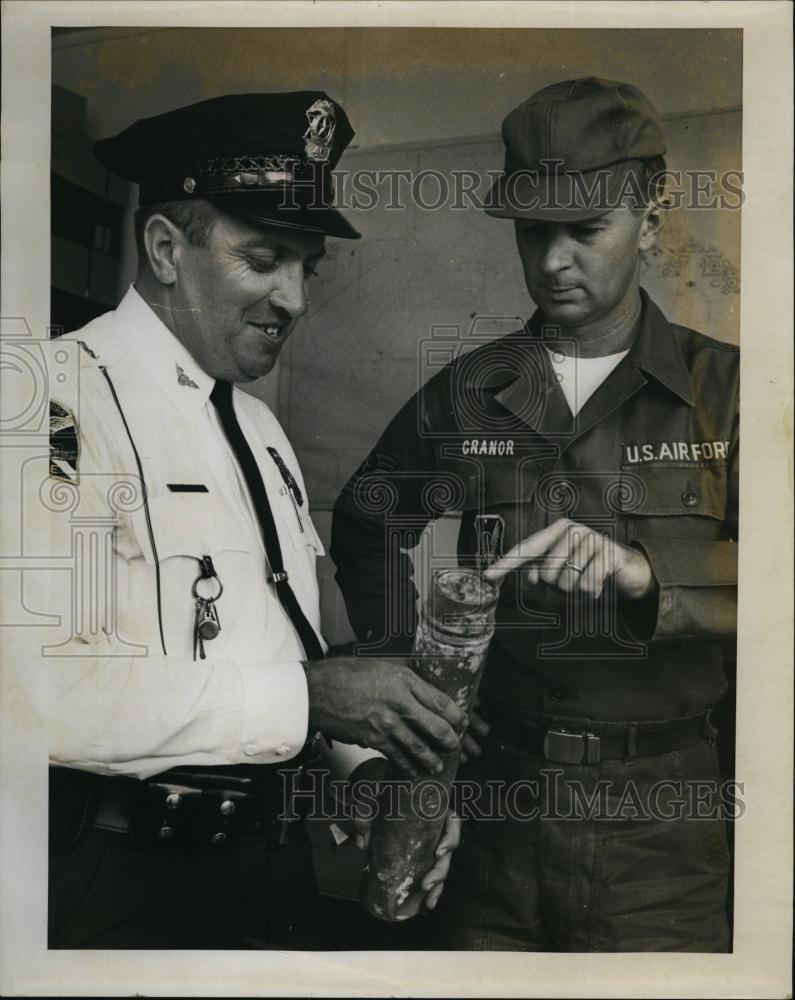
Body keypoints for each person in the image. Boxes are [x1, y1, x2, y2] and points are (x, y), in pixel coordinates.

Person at [44, 91, 466, 949]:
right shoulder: (52, 404)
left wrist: (366, 773)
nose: (295, 297)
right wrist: (312, 699)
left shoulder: (261, 430)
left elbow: (281, 651)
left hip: (270, 866)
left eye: (308, 267)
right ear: (165, 248)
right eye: (266, 258)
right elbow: (37, 695)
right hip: (110, 880)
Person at [330, 77, 738, 951]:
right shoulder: (470, 393)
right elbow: (367, 523)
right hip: (491, 814)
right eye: (532, 233)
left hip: (663, 830)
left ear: (651, 216)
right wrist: (406, 686)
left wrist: (644, 573)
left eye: (585, 231)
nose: (553, 261)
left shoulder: (732, 397)